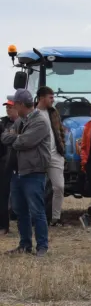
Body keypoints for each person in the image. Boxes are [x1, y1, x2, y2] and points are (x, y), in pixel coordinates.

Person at [1, 89, 51, 256]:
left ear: (21, 105)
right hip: (18, 173)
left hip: (33, 173)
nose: (13, 106)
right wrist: (17, 137)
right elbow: (5, 137)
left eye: (15, 104)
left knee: (37, 211)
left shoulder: (40, 122)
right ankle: (24, 245)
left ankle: (42, 247)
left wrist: (16, 137)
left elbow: (24, 142)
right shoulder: (20, 121)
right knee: (20, 211)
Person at [34, 86, 65, 226]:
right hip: (38, 156)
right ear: (41, 98)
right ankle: (37, 218)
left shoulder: (53, 112)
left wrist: (62, 147)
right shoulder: (33, 114)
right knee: (36, 188)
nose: (53, 100)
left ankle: (55, 218)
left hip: (55, 154)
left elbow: (60, 130)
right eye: (50, 97)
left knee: (59, 187)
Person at [0, 100, 20, 235]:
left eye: (11, 107)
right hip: (4, 162)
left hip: (16, 164)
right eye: (7, 108)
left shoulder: (22, 123)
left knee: (10, 196)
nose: (8, 110)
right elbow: (4, 139)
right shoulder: (3, 123)